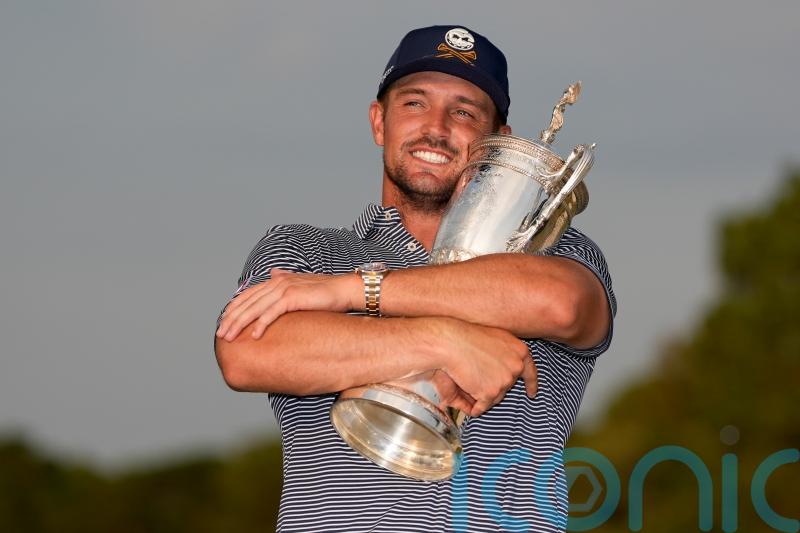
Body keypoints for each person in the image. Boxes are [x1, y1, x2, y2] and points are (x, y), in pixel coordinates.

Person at [215, 25, 616, 533]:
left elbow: (558, 304)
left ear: (500, 142)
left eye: (465, 112)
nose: (437, 127)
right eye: (414, 104)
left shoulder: (554, 251)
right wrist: (446, 341)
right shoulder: (303, 251)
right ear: (379, 121)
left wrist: (350, 293)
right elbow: (249, 351)